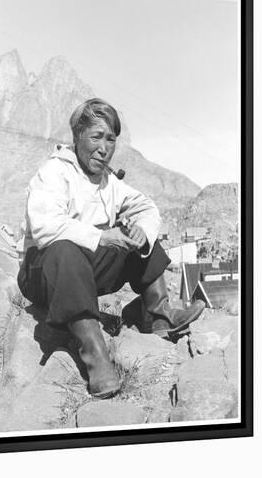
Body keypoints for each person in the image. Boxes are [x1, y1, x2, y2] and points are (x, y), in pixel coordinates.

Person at [17, 98, 205, 399]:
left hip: (84, 272)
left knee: (140, 236)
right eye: (96, 137)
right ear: (77, 136)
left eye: (111, 139)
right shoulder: (53, 173)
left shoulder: (109, 183)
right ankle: (94, 354)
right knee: (65, 249)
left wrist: (140, 231)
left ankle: (160, 316)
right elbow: (45, 227)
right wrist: (102, 237)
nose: (104, 148)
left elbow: (146, 206)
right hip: (42, 273)